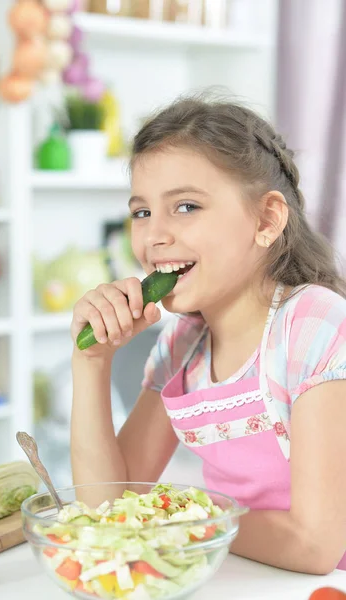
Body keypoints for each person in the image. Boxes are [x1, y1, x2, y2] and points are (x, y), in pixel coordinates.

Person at [70, 96, 346, 574]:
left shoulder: (315, 325)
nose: (154, 235)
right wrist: (91, 364)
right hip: (238, 571)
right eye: (141, 212)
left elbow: (315, 545)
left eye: (186, 206)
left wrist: (178, 520)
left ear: (266, 220)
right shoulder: (181, 345)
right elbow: (106, 505)